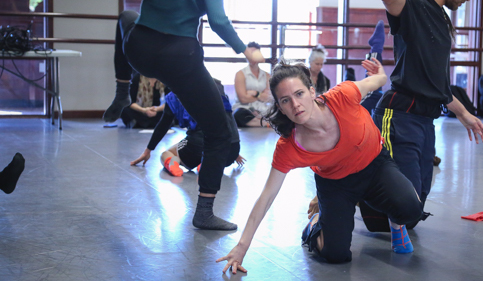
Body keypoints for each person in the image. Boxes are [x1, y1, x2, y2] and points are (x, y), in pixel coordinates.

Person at [19, 0, 265, 230]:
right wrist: (246, 51)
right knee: (218, 134)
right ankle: (203, 212)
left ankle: (122, 90)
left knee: (126, 16)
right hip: (181, 61)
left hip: (140, 51)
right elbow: (218, 22)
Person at [216, 59, 423, 274]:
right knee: (335, 255)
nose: (295, 105)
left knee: (412, 210)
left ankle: (396, 224)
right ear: (280, 108)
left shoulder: (342, 95)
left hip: (375, 165)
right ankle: (317, 222)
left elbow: (377, 80)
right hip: (337, 184)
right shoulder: (289, 146)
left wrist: (380, 73)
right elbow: (266, 197)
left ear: (312, 91)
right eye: (286, 100)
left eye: (299, 94)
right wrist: (242, 247)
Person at [374, 0, 483, 229]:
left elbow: (435, 81)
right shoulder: (413, 4)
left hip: (426, 121)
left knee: (416, 203)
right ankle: (345, 194)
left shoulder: (440, 17)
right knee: (406, 205)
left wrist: (464, 114)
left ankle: (369, 202)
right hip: (399, 117)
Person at [130, 80, 246, 176]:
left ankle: (187, 164)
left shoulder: (177, 89)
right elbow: (228, 117)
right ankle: (207, 165)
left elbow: (163, 125)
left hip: (200, 145)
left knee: (166, 153)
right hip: (231, 150)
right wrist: (233, 147)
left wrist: (148, 150)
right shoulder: (215, 84)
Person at [232, 42, 272, 127]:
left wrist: (255, 93)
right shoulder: (240, 74)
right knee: (239, 115)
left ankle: (259, 122)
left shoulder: (267, 75)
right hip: (246, 109)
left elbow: (268, 97)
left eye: (255, 53)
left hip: (262, 109)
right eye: (249, 53)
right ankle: (265, 123)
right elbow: (243, 98)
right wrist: (261, 96)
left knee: (277, 112)